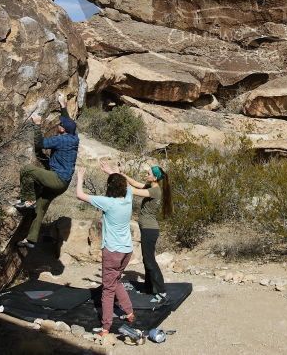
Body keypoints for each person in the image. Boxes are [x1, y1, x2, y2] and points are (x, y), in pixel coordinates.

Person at [101, 159, 172, 305]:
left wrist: (112, 174)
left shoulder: (154, 190)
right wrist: (121, 174)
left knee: (149, 260)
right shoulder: (150, 185)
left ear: (155, 177)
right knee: (147, 259)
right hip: (147, 228)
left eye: (148, 173)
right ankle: (149, 288)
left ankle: (162, 291)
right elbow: (133, 183)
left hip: (150, 229)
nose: (146, 174)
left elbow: (131, 190)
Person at [75, 166, 135, 335]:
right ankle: (129, 312)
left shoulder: (108, 202)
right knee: (115, 281)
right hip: (127, 251)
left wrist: (80, 177)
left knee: (108, 289)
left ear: (109, 187)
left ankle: (106, 327)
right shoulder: (128, 198)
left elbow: (80, 195)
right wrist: (113, 172)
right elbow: (127, 185)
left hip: (112, 251)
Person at [16, 94, 79, 249]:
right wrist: (63, 106)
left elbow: (39, 144)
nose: (58, 124)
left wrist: (37, 124)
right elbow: (69, 124)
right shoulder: (74, 138)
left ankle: (27, 200)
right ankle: (31, 240)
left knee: (27, 170)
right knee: (41, 207)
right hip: (63, 184)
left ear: (62, 129)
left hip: (57, 179)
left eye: (60, 124)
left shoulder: (61, 139)